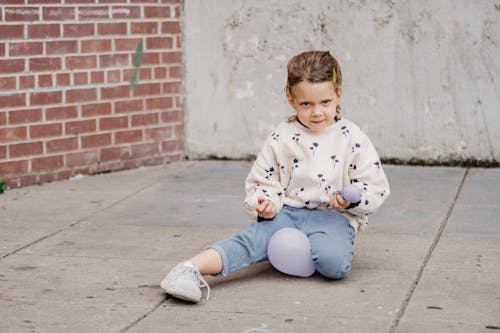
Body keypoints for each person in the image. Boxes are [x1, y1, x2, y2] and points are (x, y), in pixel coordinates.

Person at [160, 50, 390, 303]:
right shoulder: (282, 137)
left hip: (332, 217)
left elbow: (373, 184)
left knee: (334, 266)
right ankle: (187, 270)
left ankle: (286, 251)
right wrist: (266, 202)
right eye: (306, 104)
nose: (316, 112)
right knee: (250, 241)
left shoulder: (352, 137)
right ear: (291, 99)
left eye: (325, 102)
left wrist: (352, 201)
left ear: (338, 94)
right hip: (288, 212)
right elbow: (264, 181)